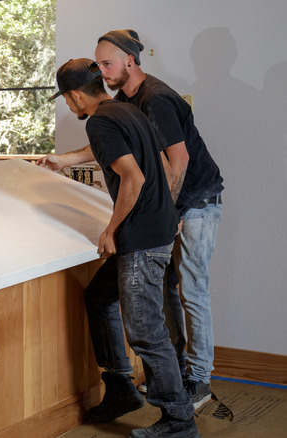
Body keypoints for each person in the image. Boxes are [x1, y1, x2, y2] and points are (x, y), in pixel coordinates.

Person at [38, 59, 198, 438]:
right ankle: (121, 388)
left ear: (76, 95)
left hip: (140, 236)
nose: (70, 106)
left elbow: (133, 177)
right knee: (99, 297)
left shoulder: (100, 121)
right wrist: (64, 160)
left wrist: (111, 229)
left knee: (145, 330)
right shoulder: (124, 109)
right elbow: (120, 153)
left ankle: (179, 421)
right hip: (156, 228)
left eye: (67, 100)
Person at [95, 29, 224, 409]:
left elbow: (179, 161)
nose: (102, 71)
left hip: (197, 202)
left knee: (193, 290)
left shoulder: (157, 99)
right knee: (167, 289)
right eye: (99, 64)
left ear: (130, 62)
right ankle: (177, 374)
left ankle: (199, 380)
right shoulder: (125, 98)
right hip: (175, 206)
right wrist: (65, 159)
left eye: (108, 63)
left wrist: (168, 214)